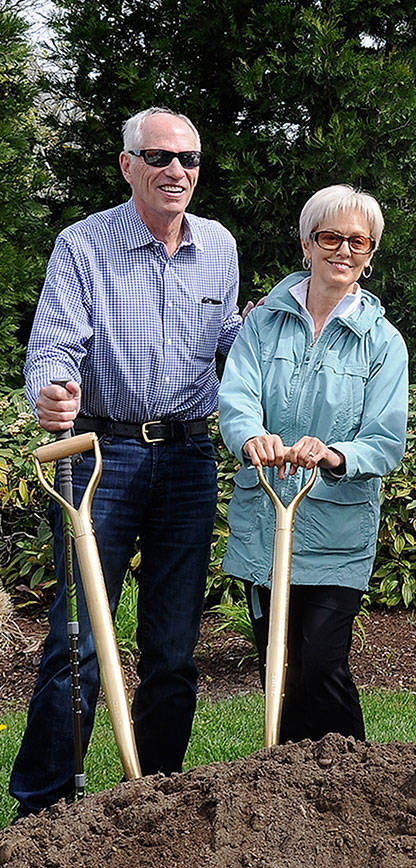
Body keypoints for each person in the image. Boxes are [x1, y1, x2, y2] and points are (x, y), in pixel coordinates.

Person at [12, 107, 243, 815]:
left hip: (187, 457)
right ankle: (43, 808)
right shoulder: (84, 245)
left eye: (190, 160)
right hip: (100, 454)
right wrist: (52, 392)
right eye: (160, 157)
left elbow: (230, 341)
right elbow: (53, 345)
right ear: (127, 165)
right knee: (78, 640)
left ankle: (158, 801)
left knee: (173, 649)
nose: (178, 171)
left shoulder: (219, 247)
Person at [218, 185, 408, 743]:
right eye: (330, 237)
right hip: (266, 520)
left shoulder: (382, 342)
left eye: (358, 241)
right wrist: (252, 436)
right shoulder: (262, 324)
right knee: (280, 671)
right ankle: (290, 800)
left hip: (336, 528)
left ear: (370, 254)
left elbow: (385, 439)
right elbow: (237, 398)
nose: (343, 251)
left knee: (322, 667)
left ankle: (354, 782)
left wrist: (332, 453)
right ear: (307, 243)